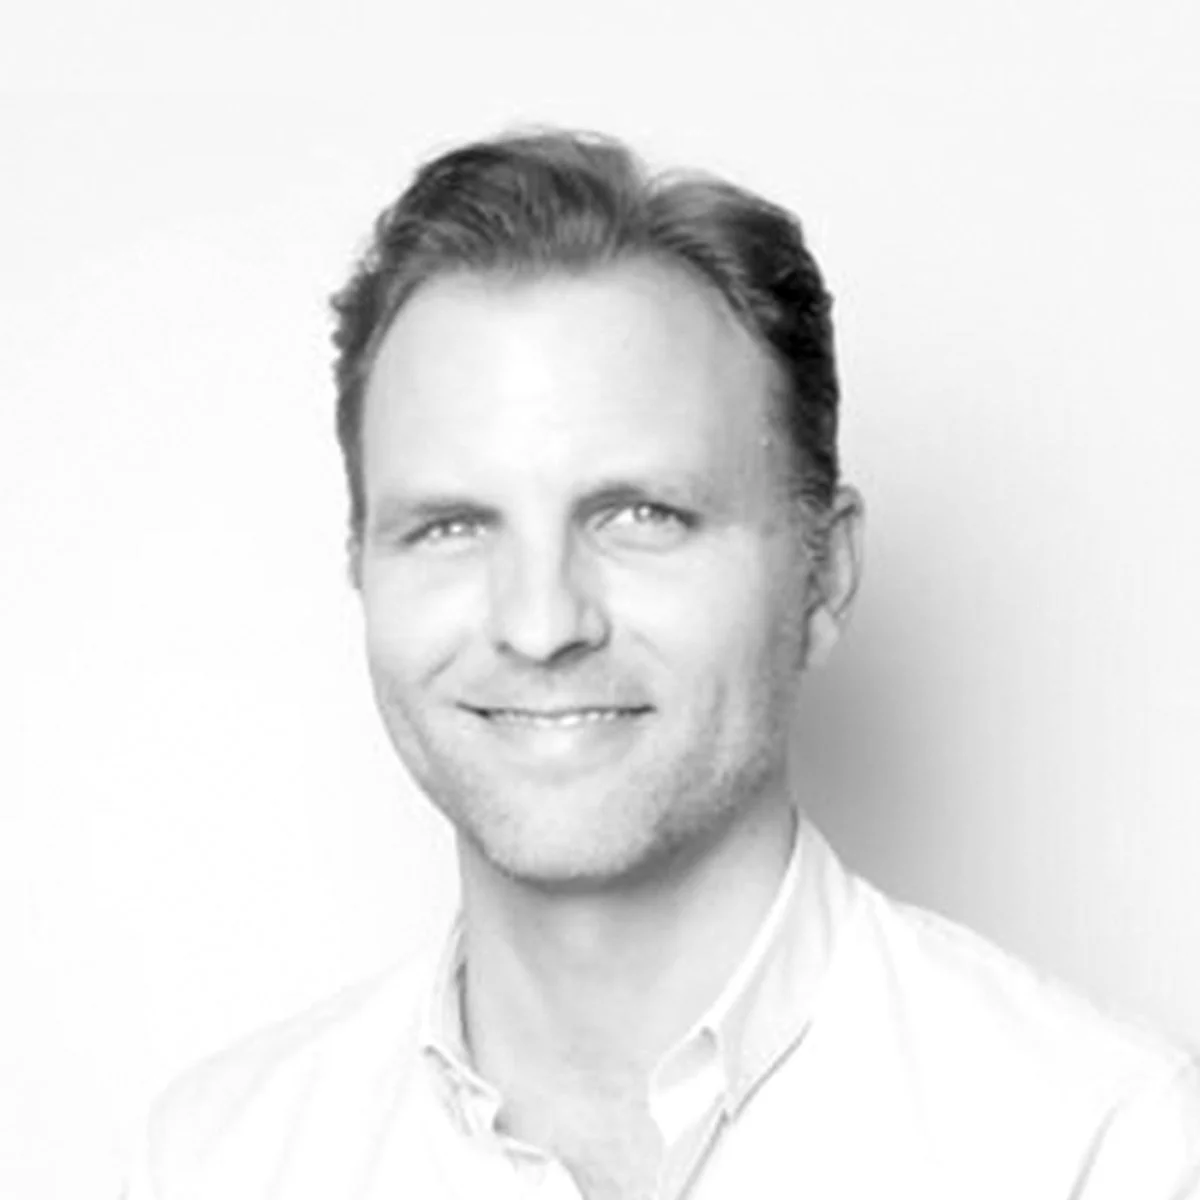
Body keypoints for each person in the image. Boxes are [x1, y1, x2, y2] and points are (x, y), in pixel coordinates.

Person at [123, 128, 1200, 1200]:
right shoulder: (218, 1160)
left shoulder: (1106, 1152)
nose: (540, 624)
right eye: (452, 526)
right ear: (361, 567)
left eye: (642, 514)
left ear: (821, 576)